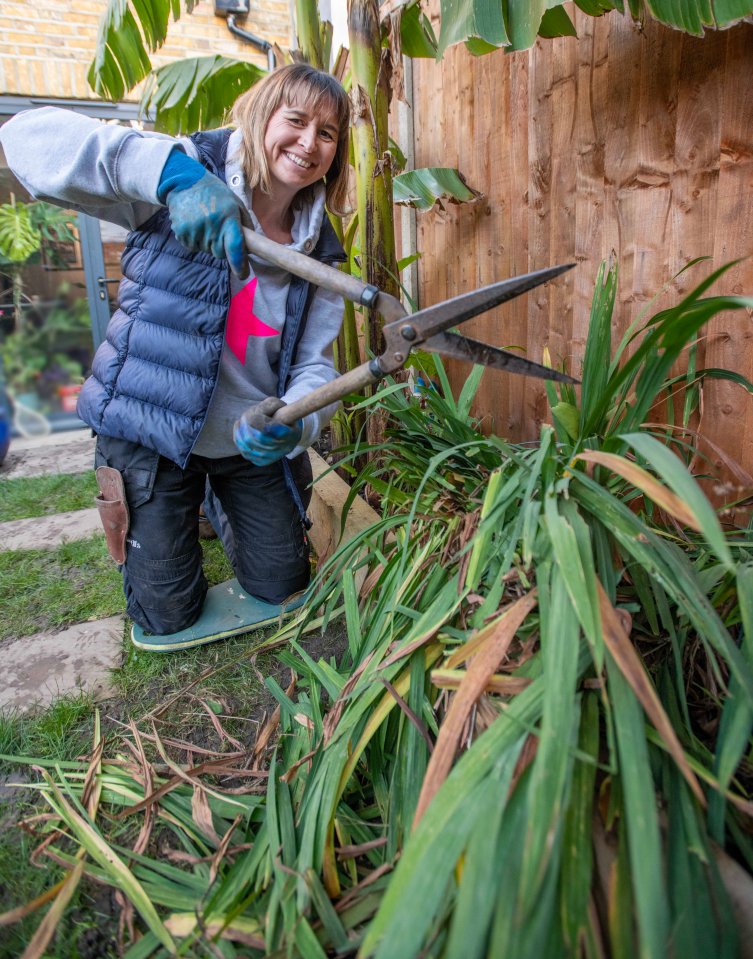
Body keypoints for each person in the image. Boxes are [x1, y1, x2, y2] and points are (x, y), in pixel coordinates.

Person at [0, 64, 351, 644]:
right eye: (295, 120)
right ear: (263, 117)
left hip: (244, 443)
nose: (309, 143)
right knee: (166, 617)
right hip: (152, 432)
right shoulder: (181, 170)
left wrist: (298, 418)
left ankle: (216, 497)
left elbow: (315, 363)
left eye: (328, 133)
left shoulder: (321, 254)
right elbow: (24, 137)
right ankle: (183, 500)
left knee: (282, 586)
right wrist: (174, 177)